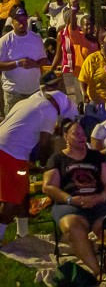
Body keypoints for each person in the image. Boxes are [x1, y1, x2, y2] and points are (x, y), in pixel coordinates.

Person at [45, 120, 106, 282]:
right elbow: (48, 187)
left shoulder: (95, 156)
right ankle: (97, 270)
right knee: (74, 229)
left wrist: (101, 197)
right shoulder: (58, 158)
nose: (81, 136)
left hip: (98, 203)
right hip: (70, 205)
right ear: (66, 136)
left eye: (82, 133)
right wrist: (71, 199)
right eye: (76, 133)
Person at [3, 82, 78, 217]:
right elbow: (44, 143)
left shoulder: (29, 102)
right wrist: (46, 166)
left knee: (23, 192)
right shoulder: (49, 110)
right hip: (11, 154)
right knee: (12, 199)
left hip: (9, 149)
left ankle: (23, 233)